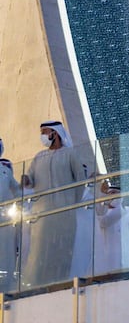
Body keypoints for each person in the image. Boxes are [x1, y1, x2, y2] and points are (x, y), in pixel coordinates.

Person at [20, 121, 91, 286]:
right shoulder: (39, 157)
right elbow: (30, 179)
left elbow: (80, 180)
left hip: (65, 213)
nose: (43, 136)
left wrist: (71, 202)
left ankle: (60, 285)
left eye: (45, 132)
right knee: (40, 252)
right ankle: (37, 285)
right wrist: (26, 180)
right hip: (43, 214)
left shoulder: (70, 154)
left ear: (55, 133)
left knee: (61, 251)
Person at [0, 157, 21, 292]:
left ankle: (5, 284)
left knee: (6, 253)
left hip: (5, 220)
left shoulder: (5, 172)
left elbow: (18, 191)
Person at [93, 183, 123, 274]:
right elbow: (102, 221)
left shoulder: (124, 210)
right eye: (109, 193)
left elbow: (103, 221)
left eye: (114, 193)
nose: (111, 196)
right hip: (105, 251)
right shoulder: (103, 211)